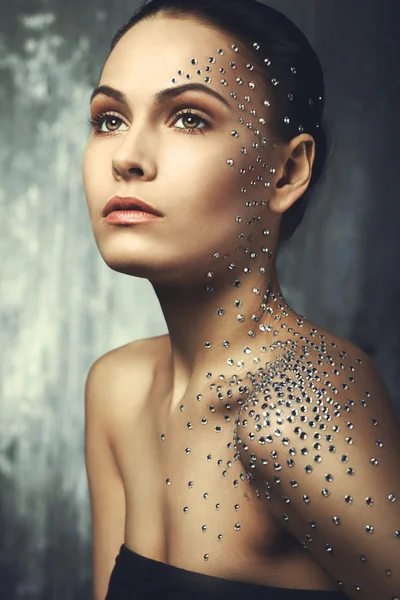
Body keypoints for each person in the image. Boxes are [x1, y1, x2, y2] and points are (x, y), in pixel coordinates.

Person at [82, 0, 400, 599]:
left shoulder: (299, 403)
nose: (126, 157)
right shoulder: (116, 389)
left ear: (286, 172)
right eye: (108, 119)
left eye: (189, 118)